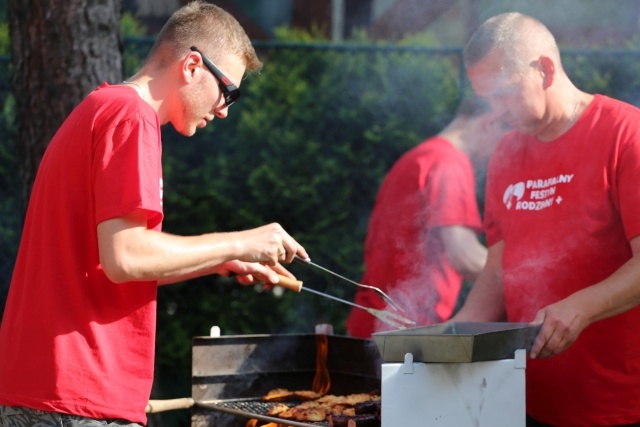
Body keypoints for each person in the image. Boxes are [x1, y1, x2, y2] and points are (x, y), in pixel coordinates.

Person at [0, 2, 308, 426]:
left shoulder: (104, 108)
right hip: (76, 396)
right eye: (228, 91)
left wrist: (219, 258)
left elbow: (114, 263)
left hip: (53, 391)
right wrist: (244, 240)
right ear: (193, 65)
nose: (224, 110)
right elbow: (126, 257)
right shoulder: (132, 118)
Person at [452, 12, 640, 427]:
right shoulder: (505, 154)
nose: (496, 112)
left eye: (503, 94)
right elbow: (497, 271)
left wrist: (581, 307)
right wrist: (450, 337)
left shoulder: (627, 134)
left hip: (620, 405)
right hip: (527, 400)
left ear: (545, 70)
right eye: (487, 99)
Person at [345, 94, 507, 338]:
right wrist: (523, 279)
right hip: (401, 334)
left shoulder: (419, 157)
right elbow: (465, 256)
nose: (504, 151)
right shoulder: (449, 163)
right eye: (506, 139)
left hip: (374, 326)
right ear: (490, 122)